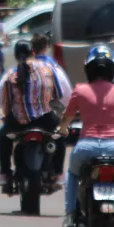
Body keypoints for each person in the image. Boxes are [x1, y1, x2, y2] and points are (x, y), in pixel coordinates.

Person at [59, 44, 114, 227]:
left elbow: (66, 117)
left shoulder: (80, 90)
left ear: (88, 68)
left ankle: (70, 214)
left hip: (86, 147)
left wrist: (63, 129)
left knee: (72, 174)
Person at [0, 39, 70, 192]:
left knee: (2, 135)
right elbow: (60, 95)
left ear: (16, 55)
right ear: (33, 52)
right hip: (45, 120)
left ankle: (4, 173)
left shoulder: (11, 73)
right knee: (60, 133)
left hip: (17, 122)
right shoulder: (49, 70)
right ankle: (58, 173)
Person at [30, 34, 73, 181]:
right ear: (47, 48)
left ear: (32, 49)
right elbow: (66, 95)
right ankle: (58, 173)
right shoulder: (54, 68)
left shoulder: (24, 67)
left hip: (26, 115)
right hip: (48, 114)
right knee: (60, 135)